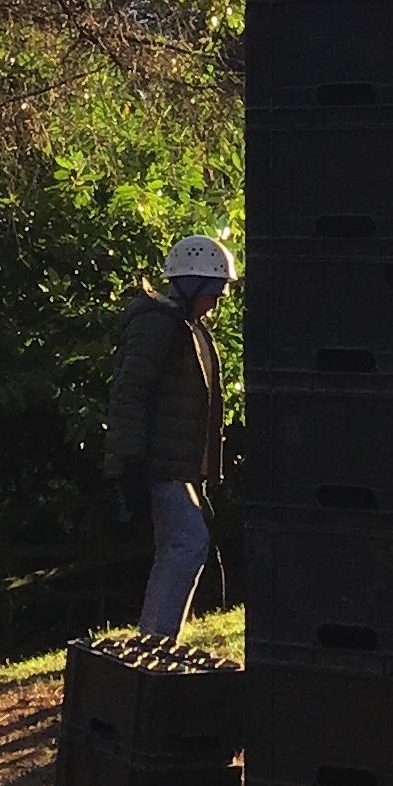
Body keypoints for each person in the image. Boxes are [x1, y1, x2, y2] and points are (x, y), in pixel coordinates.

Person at [103, 235, 236, 643]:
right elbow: (131, 392)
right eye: (212, 293)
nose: (215, 303)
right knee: (188, 544)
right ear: (191, 285)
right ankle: (157, 641)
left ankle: (155, 638)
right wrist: (129, 462)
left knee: (179, 546)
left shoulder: (188, 328)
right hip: (159, 462)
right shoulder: (159, 325)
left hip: (176, 466)